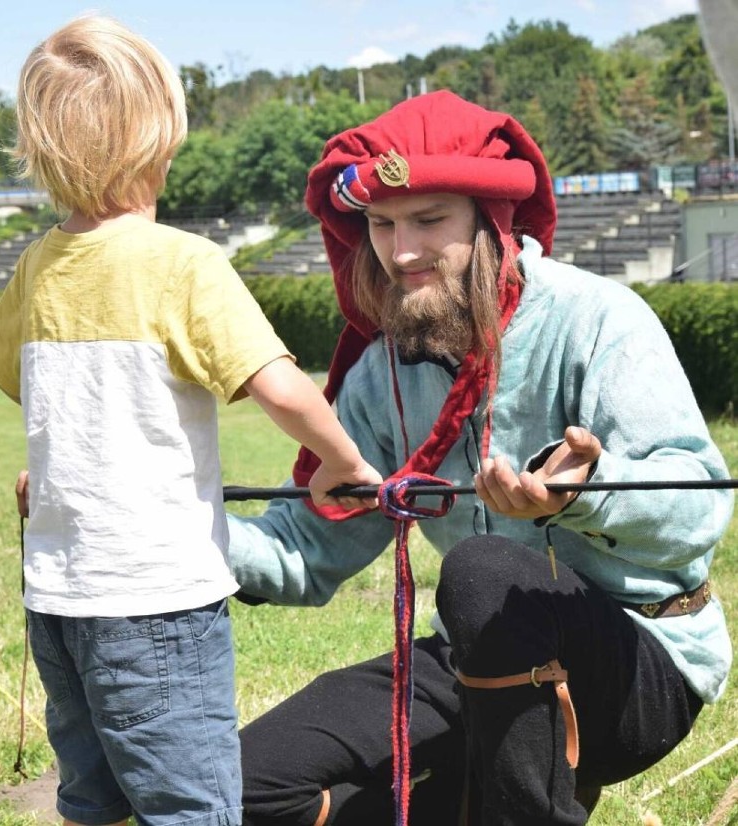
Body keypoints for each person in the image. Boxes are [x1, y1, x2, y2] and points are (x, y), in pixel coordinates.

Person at [226, 90, 734, 825]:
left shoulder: (598, 320)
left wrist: (588, 497)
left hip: (640, 658)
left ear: (491, 221)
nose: (401, 252)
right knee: (247, 788)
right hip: (480, 653)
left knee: (485, 572)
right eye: (382, 224)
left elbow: (700, 513)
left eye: (429, 220)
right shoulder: (383, 372)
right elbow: (307, 547)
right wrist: (176, 533)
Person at [0, 15, 381, 826]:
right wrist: (343, 460)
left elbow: (19, 373)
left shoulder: (36, 264)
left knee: (92, 798)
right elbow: (281, 387)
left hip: (57, 603)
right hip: (157, 603)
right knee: (192, 803)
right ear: (161, 137)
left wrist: (65, 463)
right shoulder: (184, 262)